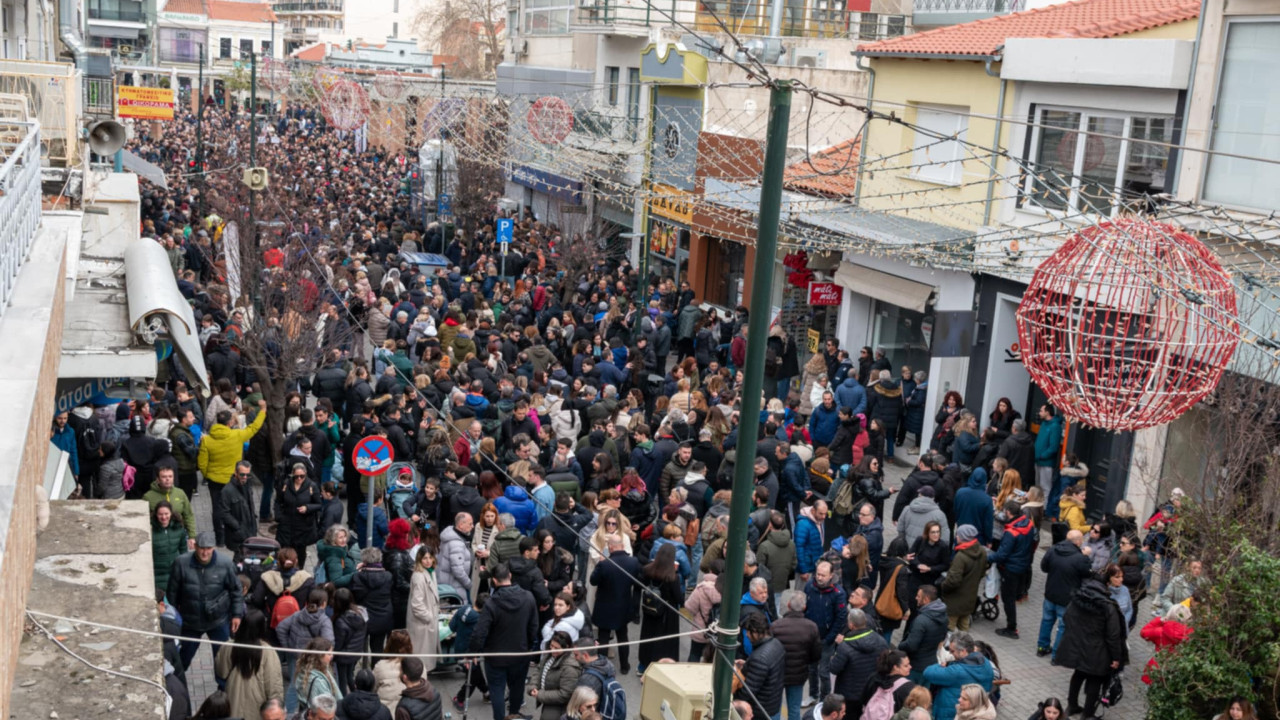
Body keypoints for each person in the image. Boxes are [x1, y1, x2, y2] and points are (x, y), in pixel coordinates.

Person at [472, 562, 540, 720]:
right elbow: (533, 626)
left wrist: (473, 652)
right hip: (520, 653)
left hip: (496, 657)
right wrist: (528, 645)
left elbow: (479, 632)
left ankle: (500, 718)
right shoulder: (528, 597)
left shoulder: (491, 603)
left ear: (494, 581)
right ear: (510, 576)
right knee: (517, 688)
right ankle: (514, 716)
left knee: (496, 690)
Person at [168, 531, 245, 670]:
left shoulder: (226, 563)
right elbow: (172, 593)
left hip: (218, 620)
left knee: (223, 659)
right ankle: (177, 686)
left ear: (214, 548)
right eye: (202, 548)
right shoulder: (180, 563)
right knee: (182, 658)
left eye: (208, 548)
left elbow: (236, 590)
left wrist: (237, 615)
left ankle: (222, 689)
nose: (205, 552)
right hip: (190, 622)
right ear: (195, 547)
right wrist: (173, 618)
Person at [1055, 577, 1129, 718]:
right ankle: (1087, 714)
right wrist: (1116, 657)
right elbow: (1113, 635)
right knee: (1095, 680)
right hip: (1098, 651)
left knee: (1078, 674)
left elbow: (1066, 618)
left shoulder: (1077, 599)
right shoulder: (1108, 606)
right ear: (1106, 585)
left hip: (1078, 646)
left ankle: (1072, 705)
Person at [199, 402, 268, 546]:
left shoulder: (207, 440)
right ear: (230, 422)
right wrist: (262, 411)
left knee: (217, 509)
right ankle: (238, 532)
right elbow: (254, 427)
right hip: (234, 479)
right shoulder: (237, 435)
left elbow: (202, 463)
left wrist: (208, 474)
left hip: (215, 480)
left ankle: (220, 539)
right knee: (237, 507)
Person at [215, 609, 284, 719]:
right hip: (258, 710)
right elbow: (273, 685)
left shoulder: (228, 646)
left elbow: (221, 672)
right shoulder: (268, 651)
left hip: (232, 705)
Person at [1038, 529, 1093, 659]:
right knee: (1062, 626)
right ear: (1078, 542)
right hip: (1067, 598)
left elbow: (1043, 567)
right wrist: (1086, 557)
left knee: (1046, 621)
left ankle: (1042, 647)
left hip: (1050, 594)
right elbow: (1087, 573)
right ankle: (1057, 654)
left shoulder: (1053, 549)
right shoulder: (1079, 558)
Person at [589, 535, 641, 675]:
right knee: (623, 636)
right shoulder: (633, 562)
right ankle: (625, 665)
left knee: (603, 638)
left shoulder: (604, 564)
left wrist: (600, 563)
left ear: (610, 547)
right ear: (622, 546)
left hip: (605, 606)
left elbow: (593, 581)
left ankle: (602, 666)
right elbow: (637, 581)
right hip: (623, 605)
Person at [986, 499, 1035, 639]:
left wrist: (987, 558)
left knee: (1008, 598)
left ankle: (1011, 628)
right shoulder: (1028, 524)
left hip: (1010, 568)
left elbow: (1002, 554)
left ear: (1008, 512)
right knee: (1014, 595)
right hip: (1023, 565)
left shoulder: (1011, 533)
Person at [921, 633, 994, 720]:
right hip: (973, 711)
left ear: (963, 651)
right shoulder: (985, 663)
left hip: (950, 713)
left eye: (952, 651)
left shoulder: (957, 671)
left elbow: (927, 672)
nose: (951, 654)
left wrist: (941, 665)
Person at [829, 608, 887, 718]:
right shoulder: (881, 641)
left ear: (851, 625)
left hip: (848, 693)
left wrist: (834, 655)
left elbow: (834, 668)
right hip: (869, 691)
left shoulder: (845, 646)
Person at [771, 591, 820, 720]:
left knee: (775, 709)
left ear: (788, 605)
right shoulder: (812, 627)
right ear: (804, 607)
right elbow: (816, 655)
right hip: (798, 674)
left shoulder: (775, 626)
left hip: (778, 674)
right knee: (794, 709)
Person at [803, 560, 846, 704]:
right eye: (818, 574)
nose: (819, 578)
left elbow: (840, 618)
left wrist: (829, 639)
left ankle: (824, 700)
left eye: (823, 575)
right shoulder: (809, 586)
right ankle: (813, 695)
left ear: (831, 575)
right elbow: (804, 607)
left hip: (827, 639)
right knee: (811, 669)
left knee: (824, 672)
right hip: (811, 637)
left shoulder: (838, 593)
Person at [638, 543, 684, 673]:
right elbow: (679, 599)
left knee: (648, 637)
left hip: (650, 609)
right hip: (667, 615)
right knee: (665, 643)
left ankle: (643, 665)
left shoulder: (648, 570)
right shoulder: (673, 577)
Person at [734, 612, 785, 720]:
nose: (747, 635)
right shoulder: (777, 644)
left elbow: (748, 692)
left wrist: (733, 698)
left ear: (756, 632)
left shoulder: (759, 658)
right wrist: (748, 664)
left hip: (760, 711)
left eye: (748, 631)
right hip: (774, 706)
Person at [940, 525, 988, 631]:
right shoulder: (982, 552)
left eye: (958, 535)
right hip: (969, 599)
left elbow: (953, 581)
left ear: (963, 538)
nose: (956, 537)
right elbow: (983, 572)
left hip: (954, 601)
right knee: (964, 630)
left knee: (948, 630)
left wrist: (943, 587)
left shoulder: (961, 557)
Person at [276, 463, 323, 567]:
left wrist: (307, 508)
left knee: (300, 552)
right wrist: (279, 517)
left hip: (303, 526)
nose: (299, 479)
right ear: (292, 474)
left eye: (302, 476)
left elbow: (319, 504)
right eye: (296, 476)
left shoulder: (312, 486)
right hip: (287, 524)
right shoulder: (286, 484)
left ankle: (299, 570)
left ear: (305, 474)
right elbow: (278, 501)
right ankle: (284, 569)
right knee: (285, 550)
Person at [897, 585, 947, 682]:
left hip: (916, 666)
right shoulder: (943, 616)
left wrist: (900, 645)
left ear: (926, 599)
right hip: (931, 663)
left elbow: (911, 645)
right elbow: (943, 637)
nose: (916, 598)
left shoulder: (921, 620)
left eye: (918, 596)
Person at [529, 630, 582, 720]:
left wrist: (540, 694)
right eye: (551, 646)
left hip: (560, 707)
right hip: (549, 701)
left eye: (556, 648)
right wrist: (533, 686)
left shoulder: (570, 668)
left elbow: (564, 694)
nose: (552, 649)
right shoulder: (551, 656)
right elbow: (539, 670)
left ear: (566, 647)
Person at [351, 547, 395, 655]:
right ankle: (376, 670)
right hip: (383, 618)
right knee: (377, 649)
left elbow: (356, 596)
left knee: (356, 648)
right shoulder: (388, 576)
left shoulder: (358, 577)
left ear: (364, 561)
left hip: (364, 619)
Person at [144, 465, 197, 546]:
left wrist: (192, 536)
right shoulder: (148, 497)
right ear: (158, 479)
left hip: (178, 534)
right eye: (164, 477)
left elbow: (188, 515)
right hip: (158, 537)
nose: (167, 479)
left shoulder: (180, 493)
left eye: (170, 476)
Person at [407, 546, 440, 673]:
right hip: (422, 624)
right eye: (424, 558)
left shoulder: (431, 572)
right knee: (420, 660)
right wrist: (429, 617)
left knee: (423, 660)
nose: (428, 561)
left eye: (430, 557)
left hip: (426, 622)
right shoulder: (419, 576)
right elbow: (417, 604)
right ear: (419, 559)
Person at [859, 649, 916, 719]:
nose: (910, 667)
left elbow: (864, 699)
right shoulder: (908, 687)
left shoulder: (873, 677)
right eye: (906, 666)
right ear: (895, 667)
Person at [332, 588, 367, 696]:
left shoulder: (340, 621)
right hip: (355, 651)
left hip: (343, 655)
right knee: (349, 676)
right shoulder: (361, 612)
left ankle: (344, 700)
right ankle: (356, 694)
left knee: (342, 680)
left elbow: (339, 642)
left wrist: (333, 655)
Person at [221, 460, 260, 560]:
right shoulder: (227, 490)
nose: (245, 477)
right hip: (237, 534)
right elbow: (224, 513)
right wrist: (238, 527)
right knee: (239, 559)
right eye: (242, 474)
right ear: (236, 473)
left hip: (250, 530)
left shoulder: (247, 485)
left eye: (248, 474)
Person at [295, 637, 342, 711]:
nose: (332, 656)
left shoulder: (305, 669)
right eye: (329, 654)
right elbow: (327, 707)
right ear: (320, 656)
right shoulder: (318, 681)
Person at [151, 501, 188, 594]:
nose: (164, 517)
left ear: (171, 513)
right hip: (156, 574)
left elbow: (183, 550)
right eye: (160, 514)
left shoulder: (179, 528)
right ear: (156, 515)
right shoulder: (150, 530)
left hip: (174, 573)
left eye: (166, 514)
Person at [1034, 405, 1065, 514]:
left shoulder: (1055, 426)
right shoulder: (1044, 423)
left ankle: (1044, 509)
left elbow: (1053, 447)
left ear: (1047, 412)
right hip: (1038, 460)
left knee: (1045, 487)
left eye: (1041, 410)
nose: (1039, 413)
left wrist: (1042, 455)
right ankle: (1036, 507)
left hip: (1046, 462)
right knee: (1038, 486)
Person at [373, 631, 412, 712]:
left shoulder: (380, 666)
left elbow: (373, 688)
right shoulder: (418, 666)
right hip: (409, 712)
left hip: (386, 712)